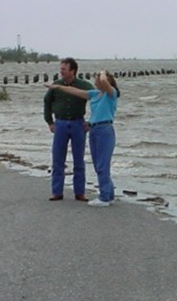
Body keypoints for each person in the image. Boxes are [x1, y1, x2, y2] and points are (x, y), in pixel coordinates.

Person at [46, 70, 120, 207]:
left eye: (97, 79)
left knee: (103, 165)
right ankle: (109, 195)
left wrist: (103, 72)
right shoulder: (94, 94)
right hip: (94, 130)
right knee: (99, 165)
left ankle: (104, 197)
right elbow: (74, 91)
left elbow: (104, 81)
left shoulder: (111, 93)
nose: (96, 81)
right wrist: (58, 87)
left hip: (105, 131)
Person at [43, 57, 94, 201]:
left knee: (79, 160)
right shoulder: (56, 85)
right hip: (60, 124)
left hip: (78, 124)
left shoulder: (84, 85)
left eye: (64, 69)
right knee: (58, 159)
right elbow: (47, 102)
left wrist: (91, 122)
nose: (61, 72)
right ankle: (57, 192)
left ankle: (80, 192)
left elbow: (98, 100)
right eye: (61, 69)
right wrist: (49, 122)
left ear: (73, 71)